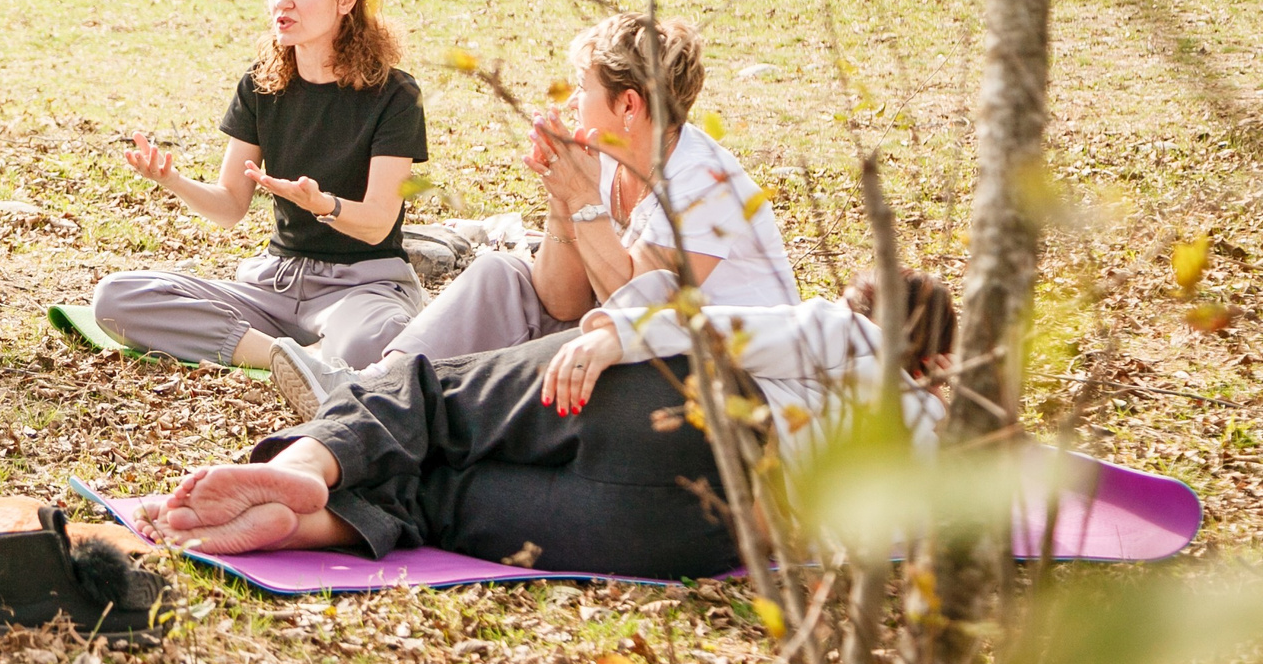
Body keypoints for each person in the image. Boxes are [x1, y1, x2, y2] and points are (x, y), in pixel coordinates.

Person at [150, 272, 957, 580]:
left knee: (433, 398)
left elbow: (733, 330)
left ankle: (310, 464)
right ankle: (313, 525)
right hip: (699, 535)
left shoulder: (859, 337)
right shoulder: (938, 462)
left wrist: (617, 335)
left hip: (677, 406)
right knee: (444, 509)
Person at [272, 11, 797, 415]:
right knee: (503, 274)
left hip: (721, 375)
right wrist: (562, 198)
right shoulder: (615, 159)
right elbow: (558, 296)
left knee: (567, 339)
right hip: (634, 340)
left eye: (583, 87)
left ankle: (400, 408)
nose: (571, 101)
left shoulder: (704, 184)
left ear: (629, 106)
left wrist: (585, 197)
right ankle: (371, 388)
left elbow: (633, 309)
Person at [89, 0, 431, 371]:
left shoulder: (394, 96)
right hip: (275, 286)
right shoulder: (261, 85)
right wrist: (172, 180)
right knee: (117, 298)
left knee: (379, 341)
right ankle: (289, 358)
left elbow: (377, 223)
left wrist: (323, 205)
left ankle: (304, 356)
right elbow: (230, 206)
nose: (282, 0)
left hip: (361, 288)